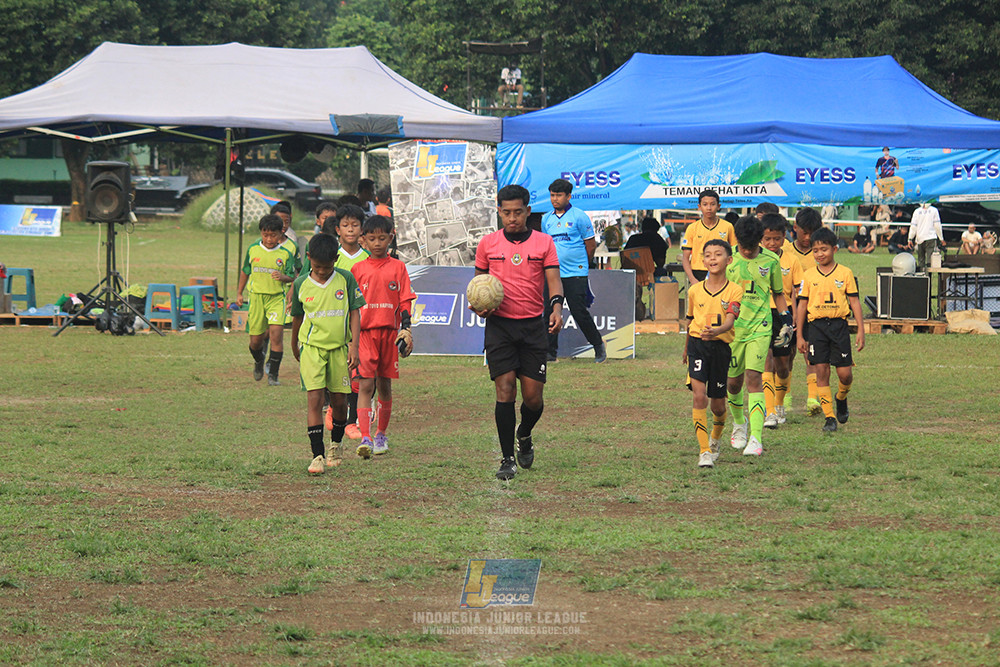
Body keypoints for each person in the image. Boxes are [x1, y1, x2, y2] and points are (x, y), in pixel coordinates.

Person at [472, 184, 563, 481]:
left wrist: (557, 308)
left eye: (518, 212)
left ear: (528, 211)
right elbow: (478, 285)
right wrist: (479, 306)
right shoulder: (487, 244)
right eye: (507, 213)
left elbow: (553, 280)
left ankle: (524, 433)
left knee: (533, 398)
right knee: (505, 389)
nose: (512, 218)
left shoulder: (544, 243)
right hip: (499, 326)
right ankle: (507, 458)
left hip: (533, 326)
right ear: (499, 212)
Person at [290, 233, 364, 474]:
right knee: (314, 399)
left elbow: (355, 312)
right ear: (309, 258)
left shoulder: (345, 279)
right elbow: (297, 317)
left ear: (335, 259)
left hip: (339, 349)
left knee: (340, 401)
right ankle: (317, 456)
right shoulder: (301, 284)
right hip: (311, 348)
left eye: (327, 267)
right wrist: (294, 343)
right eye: (317, 267)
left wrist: (354, 345)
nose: (322, 271)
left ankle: (336, 444)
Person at [725, 215, 792, 457]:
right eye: (743, 246)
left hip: (760, 328)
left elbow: (778, 294)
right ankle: (739, 423)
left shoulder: (771, 260)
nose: (747, 251)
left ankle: (756, 438)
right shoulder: (728, 259)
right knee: (733, 383)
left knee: (754, 378)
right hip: (732, 330)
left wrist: (787, 321)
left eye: (752, 247)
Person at [350, 215, 415, 458]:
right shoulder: (357, 269)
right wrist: (350, 338)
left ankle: (381, 435)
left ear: (391, 237)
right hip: (365, 334)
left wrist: (406, 328)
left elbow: (405, 299)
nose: (377, 243)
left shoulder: (398, 267)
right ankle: (365, 437)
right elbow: (351, 306)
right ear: (363, 240)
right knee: (366, 384)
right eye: (372, 239)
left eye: (382, 238)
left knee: (385, 384)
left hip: (389, 335)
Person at [796, 227, 865, 433]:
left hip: (839, 326)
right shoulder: (808, 276)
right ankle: (829, 417)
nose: (820, 254)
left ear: (834, 249)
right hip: (816, 327)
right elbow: (802, 305)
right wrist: (800, 335)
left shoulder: (845, 273)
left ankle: (841, 398)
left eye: (824, 249)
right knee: (821, 370)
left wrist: (861, 330)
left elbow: (854, 302)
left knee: (845, 374)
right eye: (815, 250)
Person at [683, 240, 743, 468]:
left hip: (720, 348)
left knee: (718, 406)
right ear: (702, 260)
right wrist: (686, 348)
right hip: (697, 346)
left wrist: (717, 331)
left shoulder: (735, 289)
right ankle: (704, 451)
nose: (712, 259)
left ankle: (715, 440)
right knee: (699, 397)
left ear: (729, 260)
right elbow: (690, 321)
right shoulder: (694, 290)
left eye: (718, 254)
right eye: (708, 255)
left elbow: (730, 319)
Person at [541, 178, 606, 363]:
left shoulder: (579, 216)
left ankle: (598, 345)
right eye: (552, 195)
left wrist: (582, 265)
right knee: (549, 311)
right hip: (553, 274)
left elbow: (590, 245)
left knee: (578, 312)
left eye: (559, 195)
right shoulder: (546, 219)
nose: (555, 199)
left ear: (568, 196)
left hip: (575, 273)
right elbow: (546, 245)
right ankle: (550, 353)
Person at [236, 214, 297, 386]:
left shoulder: (285, 254)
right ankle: (259, 360)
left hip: (276, 298)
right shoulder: (253, 250)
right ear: (261, 233)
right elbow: (245, 271)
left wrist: (283, 277)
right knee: (255, 341)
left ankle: (273, 376)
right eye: (265, 235)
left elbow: (292, 276)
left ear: (280, 233)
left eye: (273, 235)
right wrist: (239, 293)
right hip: (256, 298)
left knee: (276, 335)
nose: (269, 239)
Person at [760, 213, 803, 429]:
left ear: (784, 236)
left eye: (776, 239)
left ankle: (779, 403)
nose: (772, 243)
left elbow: (797, 291)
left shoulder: (791, 260)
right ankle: (769, 411)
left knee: (783, 365)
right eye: (767, 239)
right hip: (760, 314)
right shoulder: (756, 259)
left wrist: (794, 315)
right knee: (766, 359)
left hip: (783, 315)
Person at [790, 207, 823, 416]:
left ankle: (812, 398)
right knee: (785, 356)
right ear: (795, 228)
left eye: (813, 233)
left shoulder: (820, 253)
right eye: (805, 233)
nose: (808, 238)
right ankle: (784, 398)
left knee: (811, 353)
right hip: (788, 307)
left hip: (812, 309)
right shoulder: (785, 250)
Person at [680, 190, 738, 286]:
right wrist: (692, 279)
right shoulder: (692, 228)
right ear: (699, 207)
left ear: (718, 206)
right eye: (705, 204)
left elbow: (735, 253)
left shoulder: (728, 227)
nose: (709, 208)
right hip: (698, 273)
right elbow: (685, 258)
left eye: (712, 204)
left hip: (721, 272)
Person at [907, 203, 944, 270]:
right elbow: (937, 226)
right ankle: (929, 274)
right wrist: (941, 238)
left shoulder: (917, 211)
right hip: (931, 238)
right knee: (930, 259)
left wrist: (910, 238)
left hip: (920, 238)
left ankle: (922, 274)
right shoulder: (934, 210)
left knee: (921, 260)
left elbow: (913, 227)